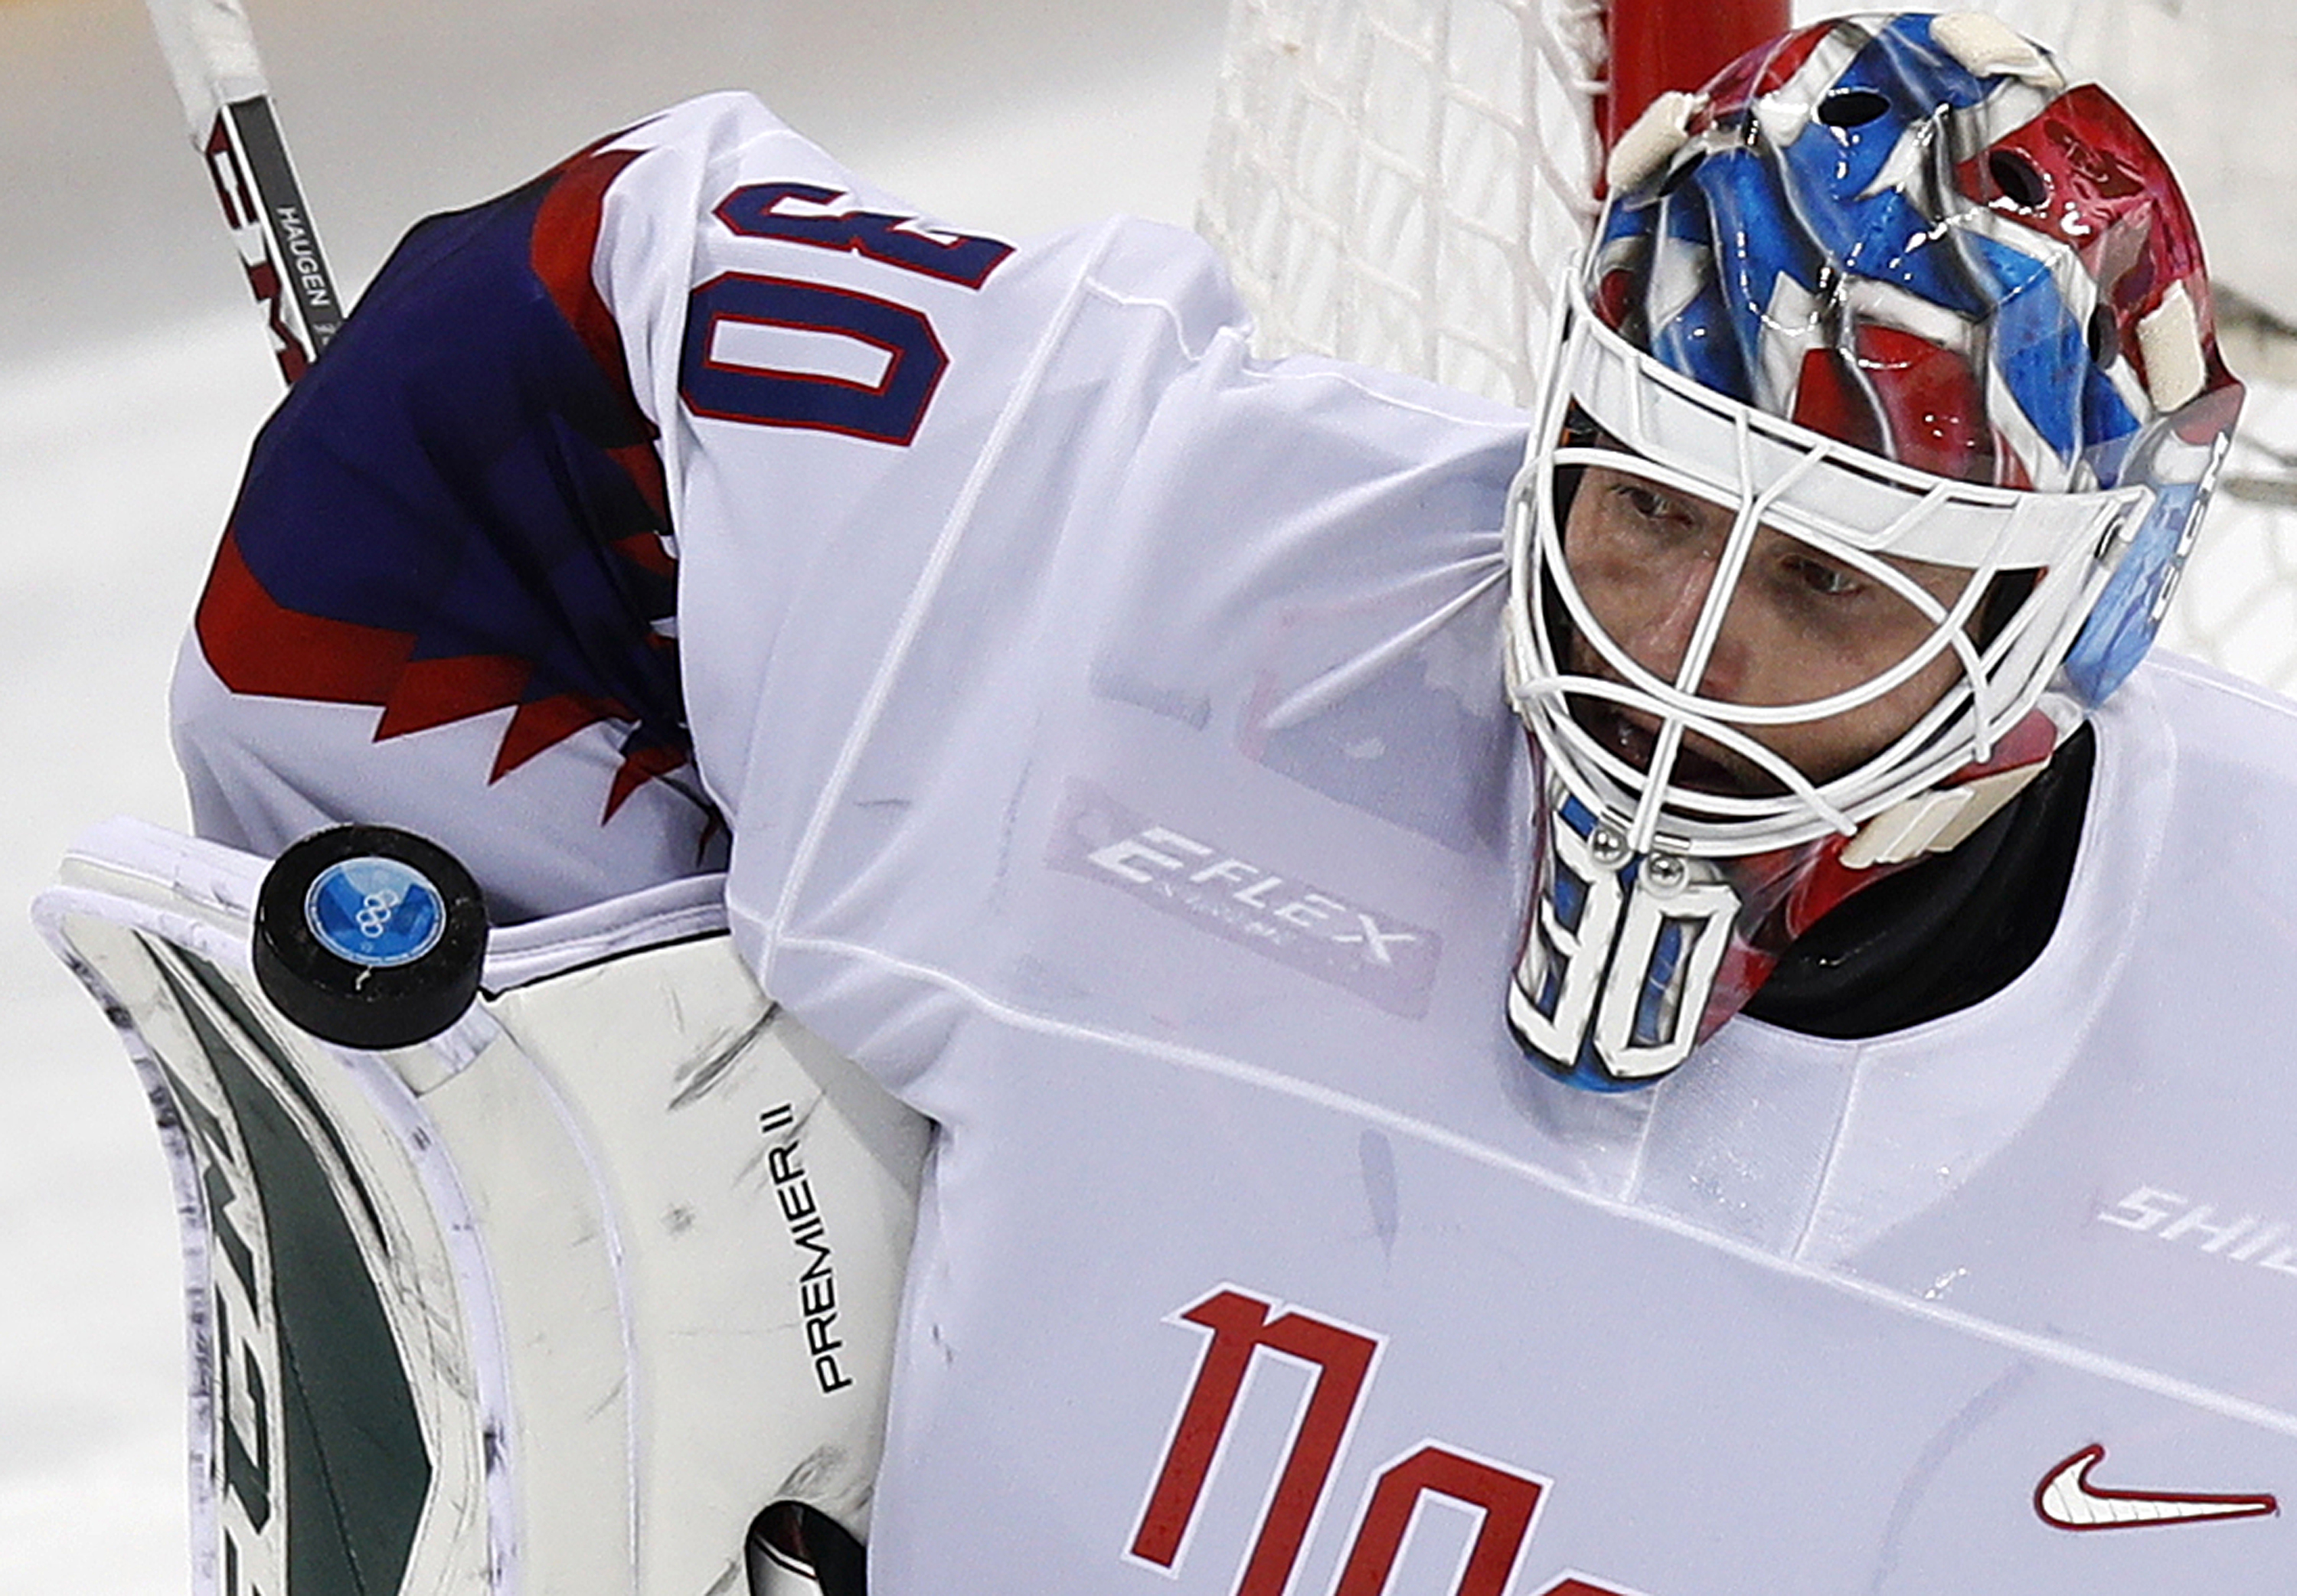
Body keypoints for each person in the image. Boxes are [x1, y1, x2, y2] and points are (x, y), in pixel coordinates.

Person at [168, 11, 2297, 1592]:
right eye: (1648, 502)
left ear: (2075, 633)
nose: (1683, 644)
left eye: (1824, 578)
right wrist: (648, 1110)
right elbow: (492, 402)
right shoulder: (1146, 572)